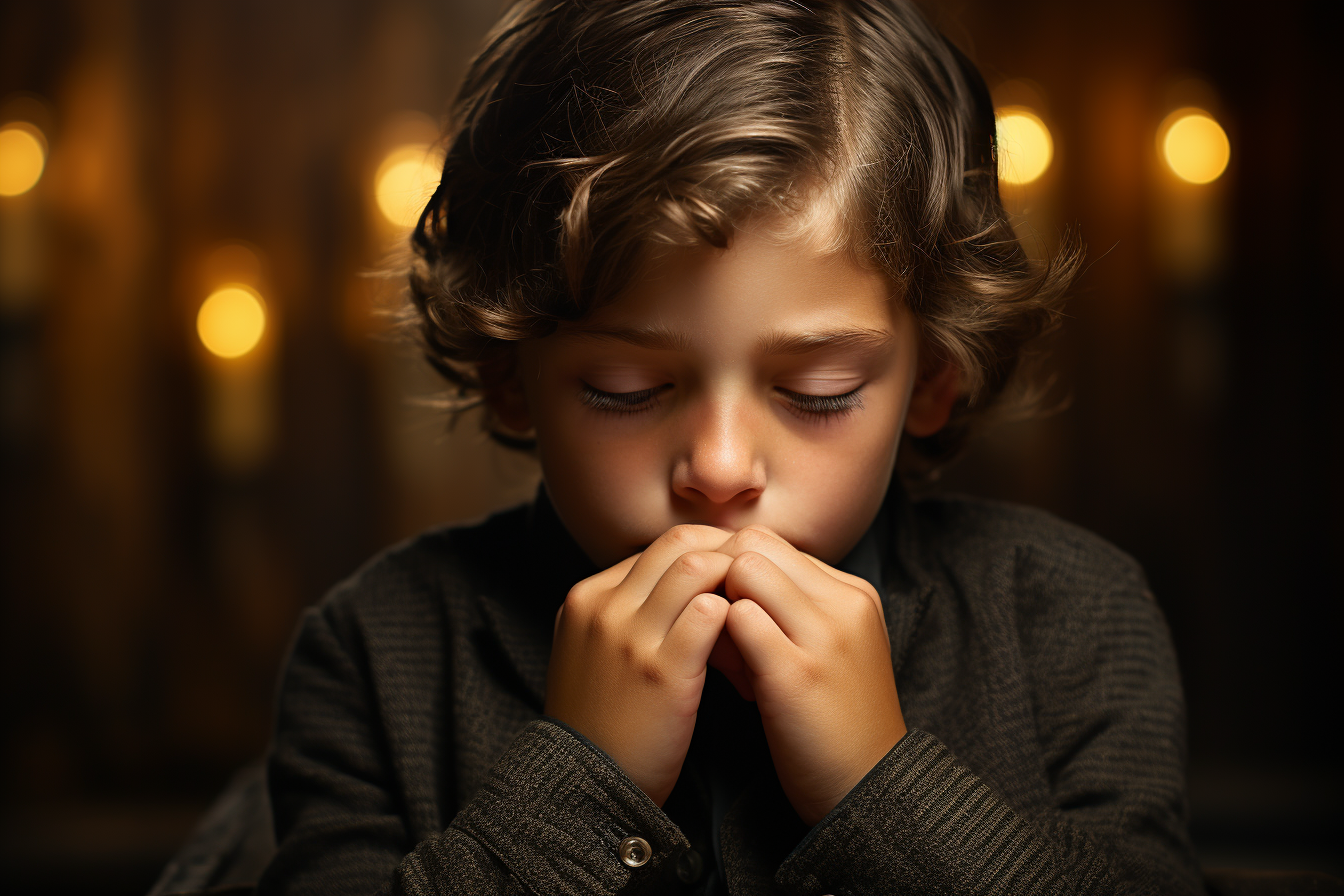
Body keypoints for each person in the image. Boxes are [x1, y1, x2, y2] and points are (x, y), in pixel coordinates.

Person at [157, 1, 1203, 893]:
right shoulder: (374, 651)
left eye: (817, 391)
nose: (720, 462)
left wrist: (882, 784)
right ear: (510, 378)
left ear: (932, 380)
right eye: (625, 389)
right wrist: (581, 779)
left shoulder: (1069, 617)